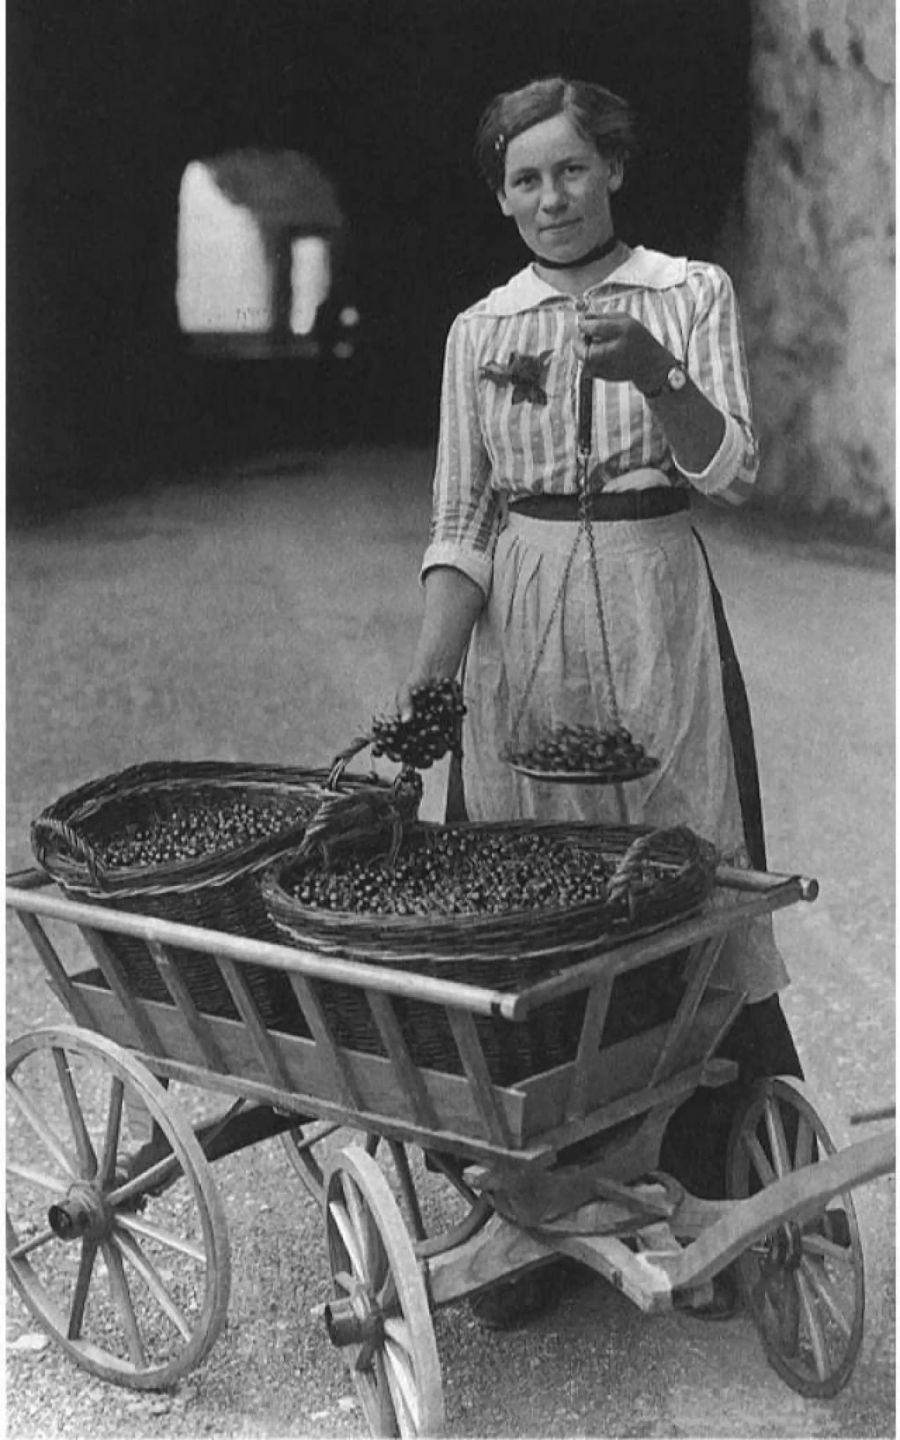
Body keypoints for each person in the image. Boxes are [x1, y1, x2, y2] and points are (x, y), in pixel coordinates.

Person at [397, 76, 802, 1325]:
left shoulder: (689, 293)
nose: (547, 198)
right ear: (501, 195)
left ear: (613, 169)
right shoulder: (482, 329)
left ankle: (724, 1198)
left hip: (651, 598)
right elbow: (463, 524)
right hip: (526, 616)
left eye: (570, 170)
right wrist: (422, 701)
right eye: (522, 178)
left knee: (687, 878)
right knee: (528, 892)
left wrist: (659, 377)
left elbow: (732, 469)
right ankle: (533, 1211)